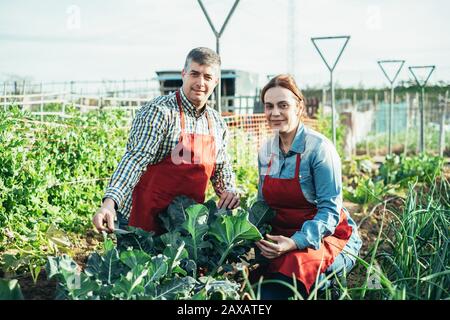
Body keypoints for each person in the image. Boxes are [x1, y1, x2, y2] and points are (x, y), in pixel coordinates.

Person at [93, 47, 239, 234]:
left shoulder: (217, 124)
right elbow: (135, 160)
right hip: (146, 222)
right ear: (184, 74)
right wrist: (109, 203)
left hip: (186, 227)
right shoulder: (159, 112)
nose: (200, 82)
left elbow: (221, 170)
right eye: (194, 74)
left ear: (216, 82)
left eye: (208, 77)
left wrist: (229, 191)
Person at [254, 74, 362, 299]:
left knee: (279, 289)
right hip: (281, 239)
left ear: (299, 107)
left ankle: (330, 278)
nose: (275, 113)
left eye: (283, 105)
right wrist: (247, 235)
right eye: (269, 106)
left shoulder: (319, 149)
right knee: (250, 283)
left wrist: (294, 242)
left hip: (326, 238)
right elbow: (261, 204)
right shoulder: (266, 151)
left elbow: (330, 212)